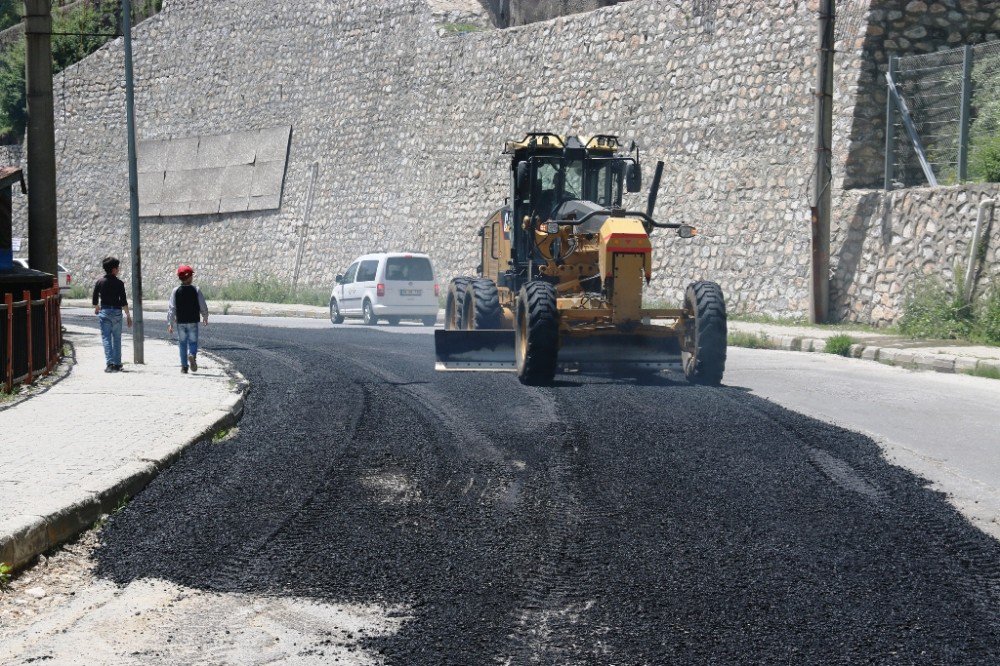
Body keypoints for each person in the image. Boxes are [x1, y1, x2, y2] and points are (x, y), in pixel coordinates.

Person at [92, 256, 132, 373]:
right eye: (117, 267)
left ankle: (109, 364)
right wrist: (128, 316)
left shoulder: (100, 282)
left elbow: (95, 298)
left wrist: (96, 307)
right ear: (113, 269)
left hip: (104, 312)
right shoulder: (119, 283)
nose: (118, 269)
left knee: (106, 339)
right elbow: (123, 301)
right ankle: (118, 364)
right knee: (117, 338)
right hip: (117, 312)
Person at [166, 265, 209, 374]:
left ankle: (184, 367)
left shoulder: (175, 291)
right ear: (189, 277)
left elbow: (172, 308)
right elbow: (202, 305)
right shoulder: (196, 290)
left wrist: (170, 323)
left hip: (181, 322)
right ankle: (192, 356)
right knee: (193, 342)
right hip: (193, 321)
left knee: (182, 343)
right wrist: (205, 316)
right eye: (191, 276)